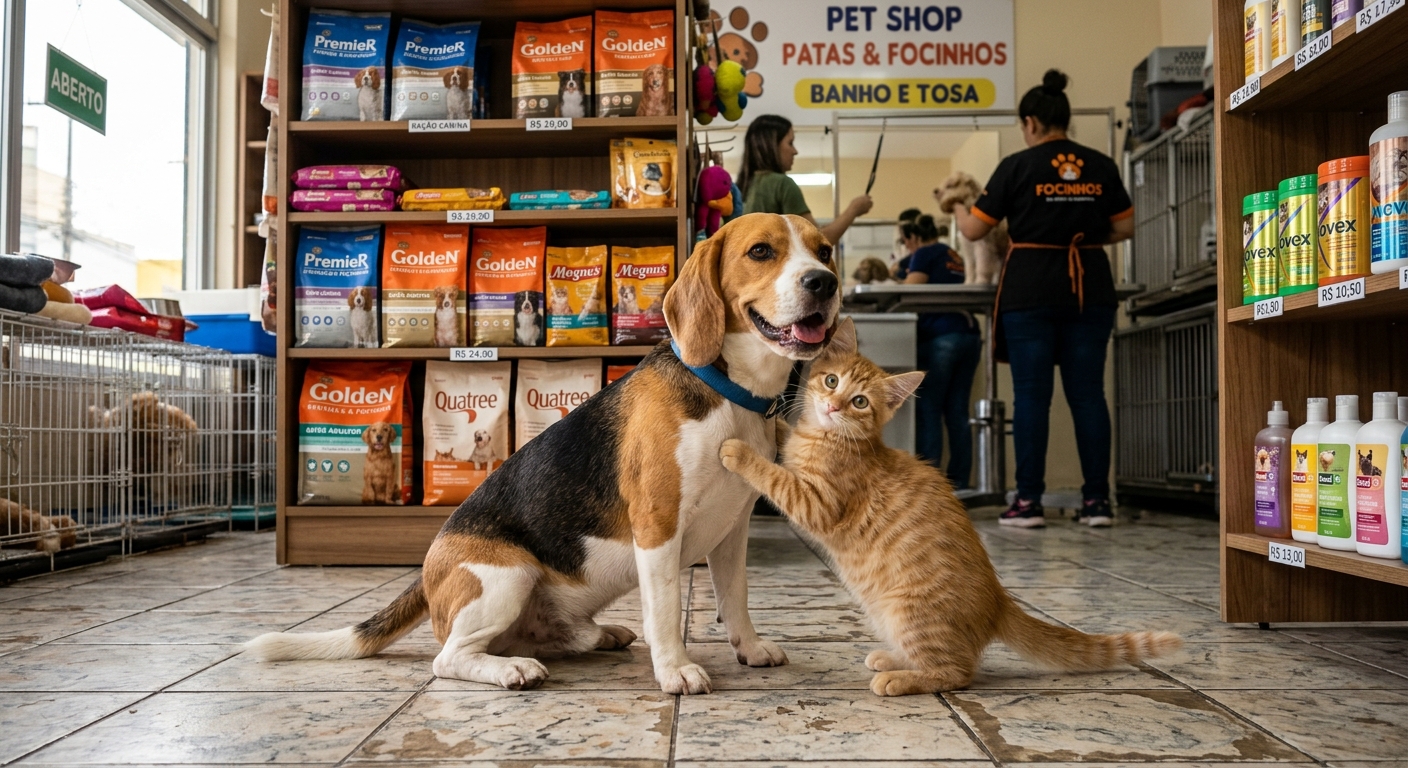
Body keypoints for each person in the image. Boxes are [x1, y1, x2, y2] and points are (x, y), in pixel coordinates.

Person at [949, 69, 1134, 529]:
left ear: (1030, 123)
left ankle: (1028, 502)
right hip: (1089, 286)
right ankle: (1097, 503)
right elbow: (1125, 226)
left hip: (1030, 289)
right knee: (1088, 396)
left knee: (1032, 397)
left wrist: (957, 206)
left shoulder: (1017, 166)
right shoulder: (1099, 164)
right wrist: (1081, 236)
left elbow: (974, 230)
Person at [899, 214, 981, 488]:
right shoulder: (952, 254)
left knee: (929, 409)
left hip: (941, 335)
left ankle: (930, 485)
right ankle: (960, 483)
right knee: (957, 413)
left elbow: (910, 289)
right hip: (969, 334)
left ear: (913, 237)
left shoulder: (924, 253)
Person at [738, 114, 873, 242]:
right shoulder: (782, 184)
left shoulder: (742, 187)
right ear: (771, 145)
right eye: (790, 143)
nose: (795, 151)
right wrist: (853, 209)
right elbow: (818, 240)